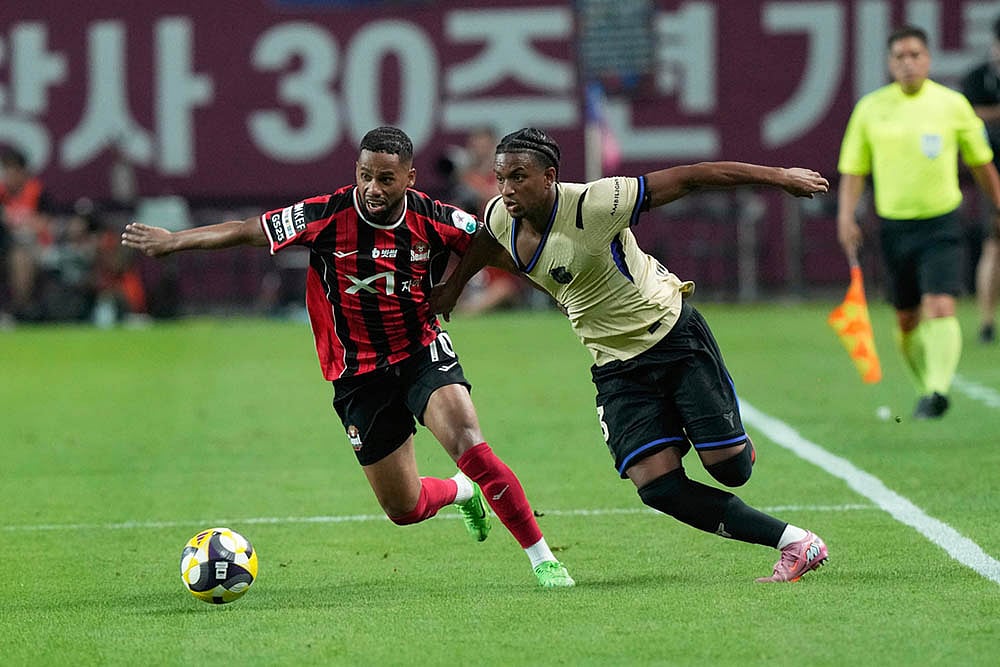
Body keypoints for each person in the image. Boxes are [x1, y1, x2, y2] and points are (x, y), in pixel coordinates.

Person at [122, 126, 574, 588]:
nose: (372, 189)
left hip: (420, 350)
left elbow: (497, 250)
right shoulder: (326, 215)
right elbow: (245, 231)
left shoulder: (436, 218)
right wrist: (174, 241)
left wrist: (560, 289)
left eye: (385, 179)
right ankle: (460, 493)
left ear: (411, 178)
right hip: (357, 373)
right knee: (404, 508)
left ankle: (543, 559)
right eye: (365, 176)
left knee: (470, 445)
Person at [432, 127, 832, 583]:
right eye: (502, 179)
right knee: (657, 487)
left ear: (550, 177)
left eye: (519, 177)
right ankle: (796, 542)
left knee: (731, 470)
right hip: (615, 367)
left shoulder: (595, 204)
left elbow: (692, 176)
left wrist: (780, 176)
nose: (507, 190)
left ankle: (730, 442)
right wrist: (453, 286)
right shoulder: (502, 214)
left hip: (672, 339)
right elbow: (486, 238)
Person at [837, 25, 1000, 419]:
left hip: (942, 223)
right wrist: (846, 216)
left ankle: (939, 389)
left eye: (915, 55)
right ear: (890, 64)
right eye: (899, 57)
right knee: (907, 318)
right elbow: (854, 172)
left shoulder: (952, 105)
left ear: (928, 60)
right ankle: (927, 387)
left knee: (941, 305)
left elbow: (982, 164)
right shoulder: (871, 108)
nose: (908, 63)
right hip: (893, 227)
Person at [961, 16, 1000, 344]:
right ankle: (987, 321)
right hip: (994, 176)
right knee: (994, 246)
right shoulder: (978, 78)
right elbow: (968, 115)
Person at [0, 146, 55, 321]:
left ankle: (20, 309)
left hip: (37, 247)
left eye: (13, 170)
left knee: (20, 258)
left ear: (23, 172)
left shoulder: (38, 192)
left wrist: (18, 221)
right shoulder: (1, 193)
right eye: (6, 170)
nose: (9, 175)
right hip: (6, 247)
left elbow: (46, 225)